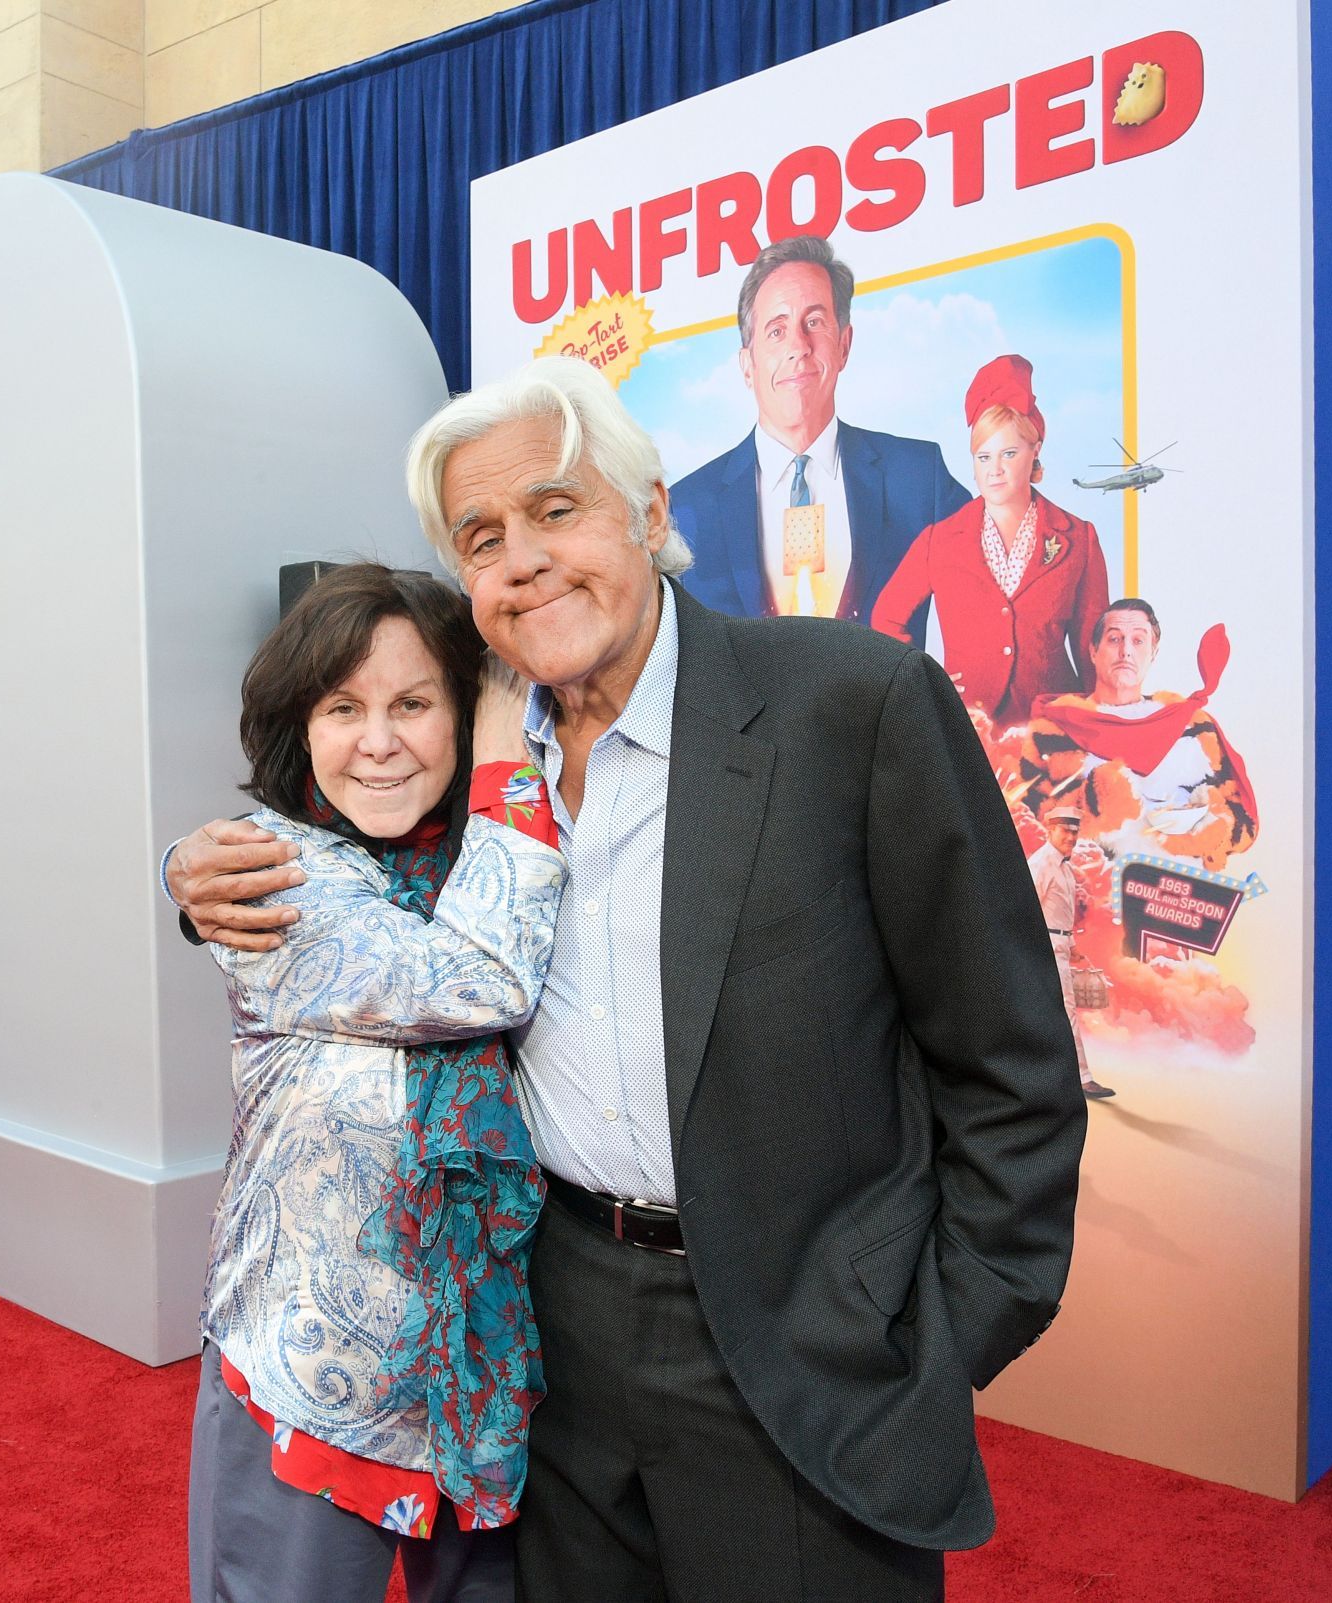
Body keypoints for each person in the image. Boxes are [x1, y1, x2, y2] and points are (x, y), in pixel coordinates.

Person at [172, 358, 1085, 1603]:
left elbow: (1010, 1062)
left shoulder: (848, 705)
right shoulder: (467, 785)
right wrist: (187, 875)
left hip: (797, 1332)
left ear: (651, 515)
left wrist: (943, 1332)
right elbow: (333, 866)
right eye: (482, 538)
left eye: (557, 509)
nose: (524, 559)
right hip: (554, 1334)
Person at [178, 563, 568, 1603]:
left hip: (486, 1375)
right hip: (310, 1377)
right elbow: (479, 975)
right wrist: (498, 719)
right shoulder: (270, 874)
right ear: (298, 729)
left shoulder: (496, 856)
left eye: (415, 702)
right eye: (342, 708)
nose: (380, 740)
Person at [669, 233, 970, 624]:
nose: (799, 345)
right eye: (776, 330)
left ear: (844, 345)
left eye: (814, 322)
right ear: (747, 365)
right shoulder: (686, 508)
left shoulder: (918, 478)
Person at [870, 355, 1110, 726]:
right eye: (983, 457)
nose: (994, 470)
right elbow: (886, 618)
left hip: (1056, 734)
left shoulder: (1080, 538)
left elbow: (1092, 651)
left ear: (1035, 452)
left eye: (1008, 453)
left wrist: (1100, 728)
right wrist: (925, 687)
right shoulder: (940, 540)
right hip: (968, 732)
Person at [1020, 598, 1259, 873]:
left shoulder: (1192, 725)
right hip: (1090, 898)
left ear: (1153, 653)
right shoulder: (1051, 729)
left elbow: (1241, 818)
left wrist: (1213, 830)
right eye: (1114, 639)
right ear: (1093, 650)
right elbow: (1026, 824)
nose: (1126, 652)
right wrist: (1095, 811)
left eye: (1138, 641)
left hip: (1179, 900)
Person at [1027, 804, 1113, 1100]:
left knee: (1051, 1012)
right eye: (1065, 830)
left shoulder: (1064, 866)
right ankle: (1082, 1079)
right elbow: (1027, 911)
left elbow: (1058, 912)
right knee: (1066, 1011)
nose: (1072, 837)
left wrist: (1073, 946)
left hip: (1059, 944)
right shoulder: (1041, 864)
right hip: (1046, 947)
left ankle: (1046, 1078)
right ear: (1050, 830)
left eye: (1075, 831)